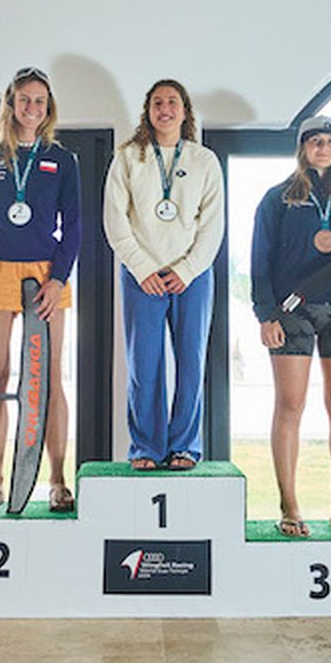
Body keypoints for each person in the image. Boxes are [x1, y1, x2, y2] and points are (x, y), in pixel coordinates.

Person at [0, 66, 79, 512]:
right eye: (24, 99)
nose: (32, 108)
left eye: (40, 101)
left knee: (49, 379)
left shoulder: (62, 160)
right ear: (10, 104)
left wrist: (58, 277)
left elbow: (74, 227)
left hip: (46, 276)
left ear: (49, 108)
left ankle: (59, 480)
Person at [251, 115, 331, 538]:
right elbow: (260, 261)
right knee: (290, 406)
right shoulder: (277, 200)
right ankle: (290, 506)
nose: (323, 148)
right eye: (315, 141)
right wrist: (265, 314)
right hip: (292, 312)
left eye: (330, 141)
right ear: (303, 147)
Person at [103, 79, 225, 471]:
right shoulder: (128, 157)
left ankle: (185, 446)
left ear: (185, 111)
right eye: (158, 102)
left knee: (191, 362)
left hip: (193, 276)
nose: (165, 109)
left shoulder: (204, 160)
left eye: (173, 102)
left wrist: (188, 269)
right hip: (142, 277)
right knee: (144, 365)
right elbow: (114, 219)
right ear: (148, 111)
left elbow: (213, 225)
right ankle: (146, 448)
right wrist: (142, 268)